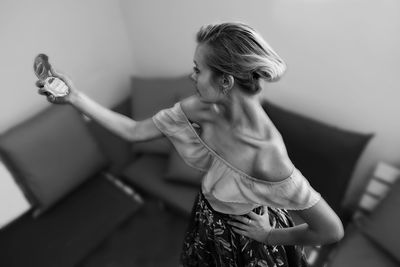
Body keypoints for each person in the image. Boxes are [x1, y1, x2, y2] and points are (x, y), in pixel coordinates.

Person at [36, 22, 343, 267]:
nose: (191, 75)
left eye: (198, 69)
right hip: (206, 219)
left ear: (226, 81)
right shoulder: (199, 108)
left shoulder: (267, 156)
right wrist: (74, 98)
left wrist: (269, 235)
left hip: (245, 241)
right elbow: (133, 131)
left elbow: (331, 230)